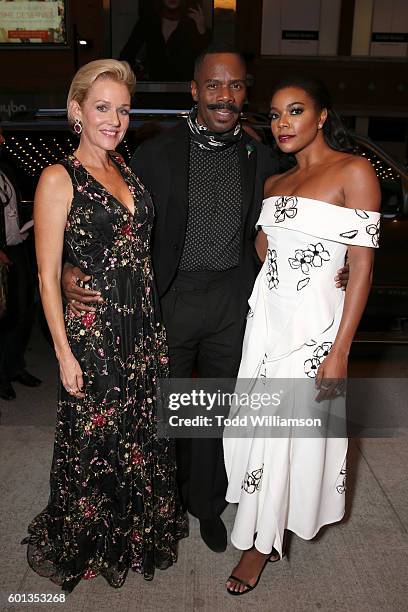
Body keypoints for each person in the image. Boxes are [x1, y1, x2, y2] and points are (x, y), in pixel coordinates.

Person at [62, 46, 348, 554]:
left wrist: (336, 261)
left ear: (246, 93)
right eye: (214, 85)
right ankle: (163, 502)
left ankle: (207, 505)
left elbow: (296, 216)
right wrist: (68, 268)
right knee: (163, 408)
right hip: (168, 296)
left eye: (236, 86)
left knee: (214, 411)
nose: (225, 95)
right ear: (195, 91)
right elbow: (108, 220)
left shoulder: (262, 156)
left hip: (232, 301)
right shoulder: (153, 153)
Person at [22, 59, 187, 592]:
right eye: (102, 107)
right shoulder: (57, 177)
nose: (115, 119)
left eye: (122, 108)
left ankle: (136, 530)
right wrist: (64, 354)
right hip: (95, 337)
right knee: (96, 441)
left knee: (140, 434)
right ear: (76, 111)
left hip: (142, 329)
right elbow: (47, 277)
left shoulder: (127, 169)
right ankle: (95, 536)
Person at [223, 77, 381, 595]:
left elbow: (361, 269)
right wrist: (279, 256)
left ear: (320, 116)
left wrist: (340, 353)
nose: (283, 123)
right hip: (266, 322)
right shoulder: (274, 182)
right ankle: (258, 519)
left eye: (295, 111)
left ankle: (259, 544)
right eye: (273, 114)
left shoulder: (354, 172)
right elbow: (268, 248)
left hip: (314, 331)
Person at [0, 124, 41, 401]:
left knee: (23, 310)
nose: (3, 138)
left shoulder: (5, 168)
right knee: (4, 316)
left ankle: (15, 366)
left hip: (16, 248)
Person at [119, 0, 210, 81]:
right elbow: (127, 54)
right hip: (152, 89)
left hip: (185, 90)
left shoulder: (192, 24)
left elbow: (205, 61)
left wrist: (201, 29)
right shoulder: (148, 22)